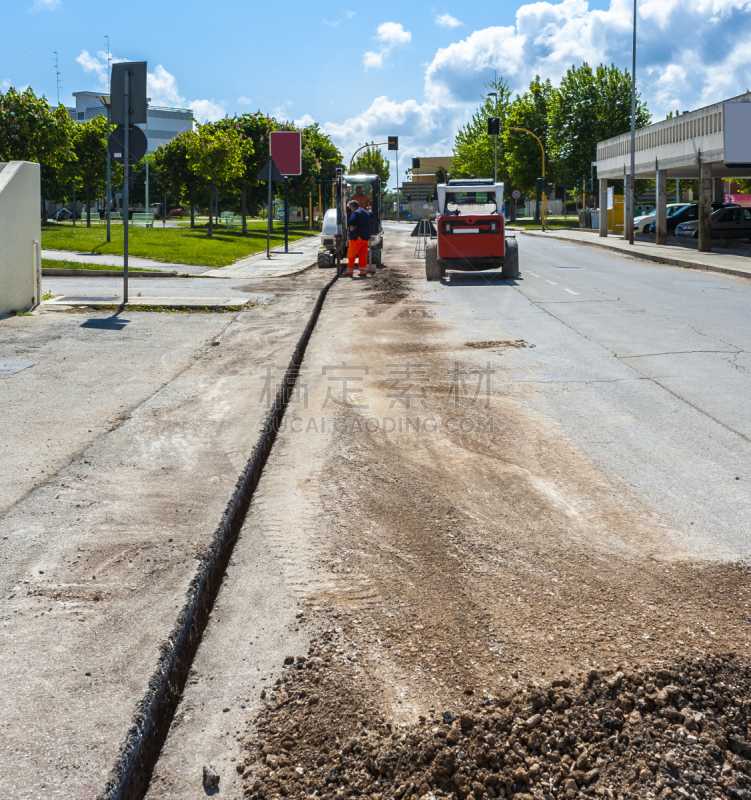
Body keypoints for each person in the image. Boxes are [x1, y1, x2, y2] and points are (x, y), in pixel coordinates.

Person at [346, 199, 371, 277]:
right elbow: (371, 215)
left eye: (350, 208)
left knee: (351, 254)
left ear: (352, 207)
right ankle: (363, 271)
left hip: (356, 238)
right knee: (363, 255)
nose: (350, 210)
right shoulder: (365, 212)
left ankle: (349, 271)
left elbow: (351, 221)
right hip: (365, 239)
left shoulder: (355, 213)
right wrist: (370, 210)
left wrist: (351, 228)